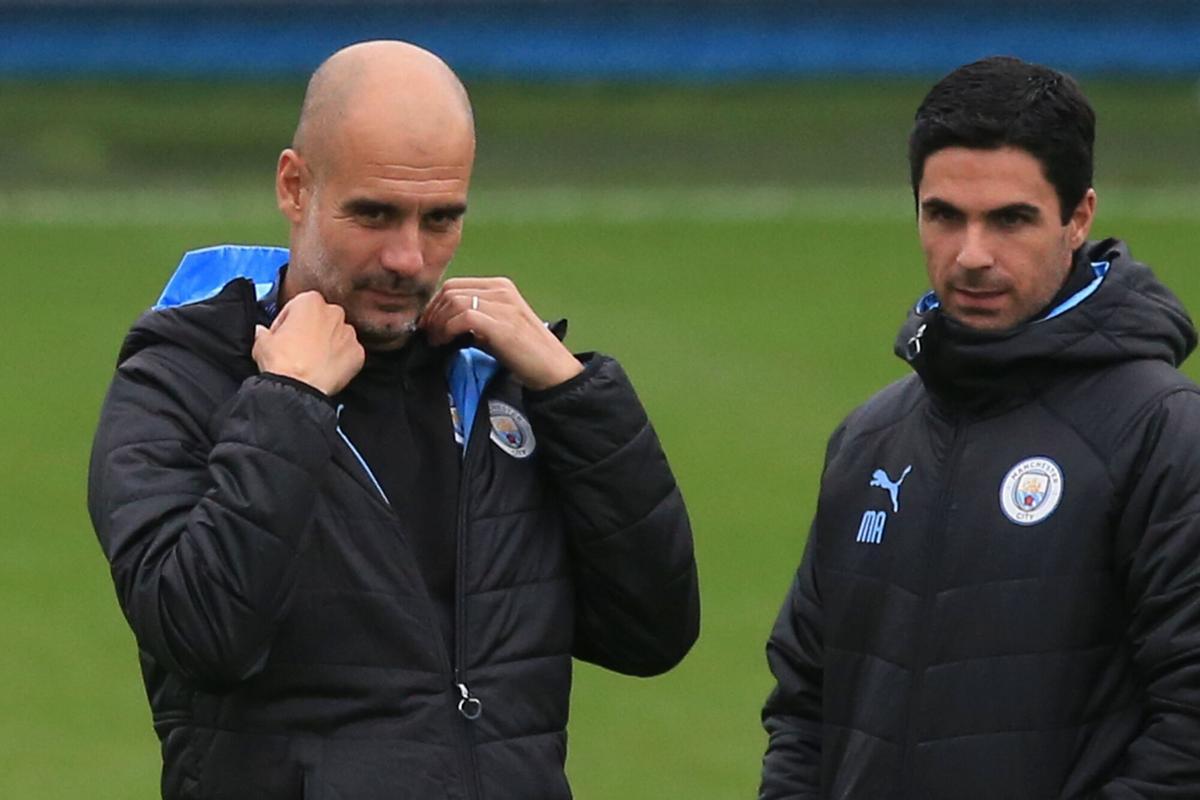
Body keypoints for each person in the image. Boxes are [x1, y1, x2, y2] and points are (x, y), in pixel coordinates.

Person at [88, 40, 699, 800]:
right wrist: (289, 407)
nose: (409, 258)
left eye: (440, 219)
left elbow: (653, 631)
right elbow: (202, 632)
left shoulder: (494, 384)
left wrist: (575, 395)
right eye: (374, 214)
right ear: (295, 186)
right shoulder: (184, 378)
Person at [759, 56, 1200, 798]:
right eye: (944, 216)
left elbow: (1189, 728)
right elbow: (805, 706)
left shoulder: (1162, 434)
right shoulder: (870, 440)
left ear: (1078, 217)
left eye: (1010, 219)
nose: (971, 256)